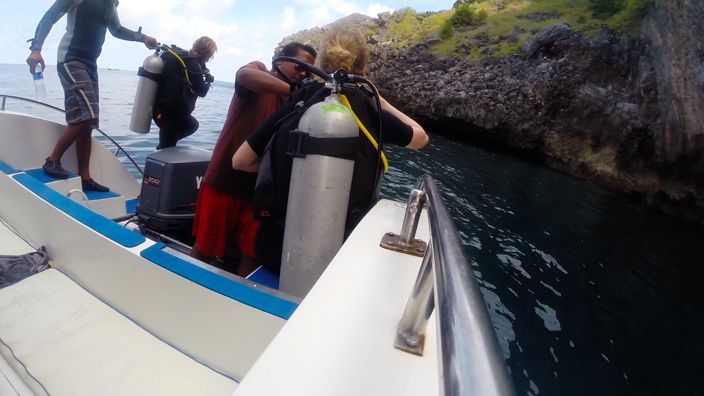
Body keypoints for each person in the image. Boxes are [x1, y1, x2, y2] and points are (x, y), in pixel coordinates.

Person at [232, 28, 429, 274]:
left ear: (321, 63)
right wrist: (381, 102)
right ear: (363, 67)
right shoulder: (368, 110)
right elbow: (420, 137)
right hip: (340, 256)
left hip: (276, 248)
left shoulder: (300, 100)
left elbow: (240, 160)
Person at [191, 42, 317, 276]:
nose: (303, 73)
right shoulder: (259, 72)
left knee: (251, 253)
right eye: (300, 65)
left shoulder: (296, 105)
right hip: (224, 182)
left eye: (309, 71)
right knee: (204, 249)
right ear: (279, 61)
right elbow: (244, 75)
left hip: (259, 192)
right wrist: (294, 92)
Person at [26, 0, 157, 192]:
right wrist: (36, 49)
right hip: (70, 59)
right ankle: (52, 160)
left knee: (89, 122)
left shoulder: (110, 4)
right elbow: (50, 16)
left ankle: (85, 177)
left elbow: (117, 30)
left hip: (90, 64)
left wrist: (143, 37)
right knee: (86, 114)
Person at [153, 36, 217, 150]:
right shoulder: (193, 64)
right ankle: (163, 149)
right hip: (172, 114)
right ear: (206, 54)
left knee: (191, 125)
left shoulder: (184, 59)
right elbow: (202, 91)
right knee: (168, 145)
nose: (209, 59)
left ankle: (165, 144)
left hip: (162, 110)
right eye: (210, 56)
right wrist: (208, 79)